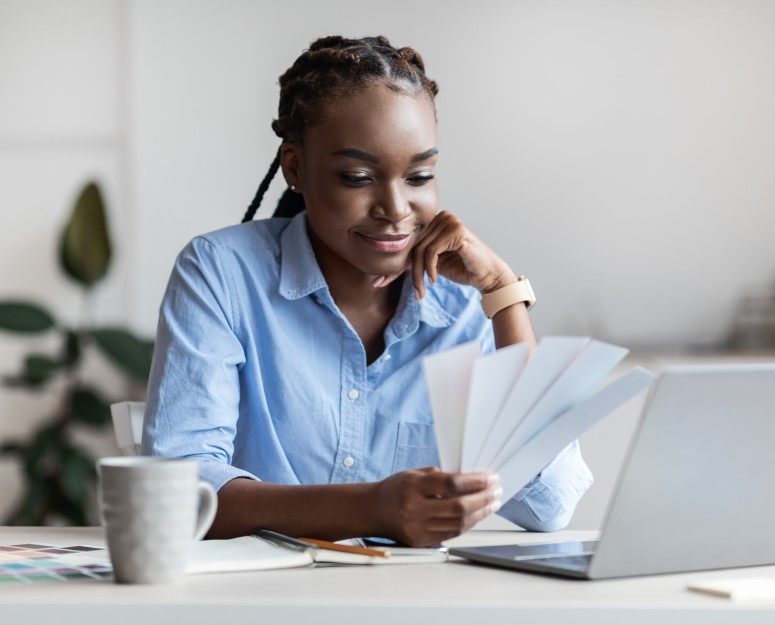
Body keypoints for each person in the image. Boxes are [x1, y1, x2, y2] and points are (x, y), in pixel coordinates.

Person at [143, 35, 592, 547]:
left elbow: (549, 503)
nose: (396, 208)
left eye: (420, 175)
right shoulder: (222, 274)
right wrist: (372, 508)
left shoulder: (467, 303)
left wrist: (503, 293)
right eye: (358, 177)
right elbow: (178, 493)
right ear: (295, 168)